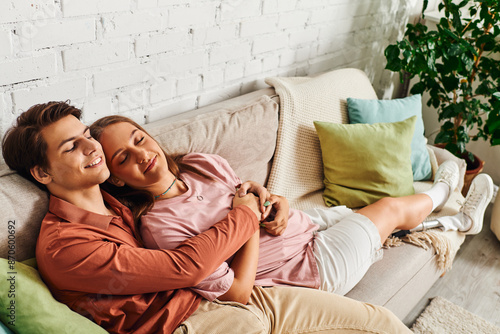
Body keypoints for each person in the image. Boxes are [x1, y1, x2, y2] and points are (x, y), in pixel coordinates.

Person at [1, 101, 416, 333]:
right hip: (191, 324)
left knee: (377, 322)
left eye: (87, 136)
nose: (91, 148)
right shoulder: (66, 247)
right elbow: (183, 265)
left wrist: (264, 200)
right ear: (41, 173)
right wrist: (247, 215)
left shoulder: (116, 200)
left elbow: (200, 199)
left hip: (225, 297)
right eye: (71, 147)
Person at [89, 115, 494, 303]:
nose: (141, 154)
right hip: (306, 268)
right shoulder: (160, 228)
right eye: (123, 157)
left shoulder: (199, 163)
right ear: (118, 179)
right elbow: (237, 291)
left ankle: (451, 217)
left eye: (139, 139)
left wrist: (274, 201)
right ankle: (446, 193)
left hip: (301, 224)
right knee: (386, 209)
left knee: (371, 211)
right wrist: (246, 219)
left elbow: (252, 198)